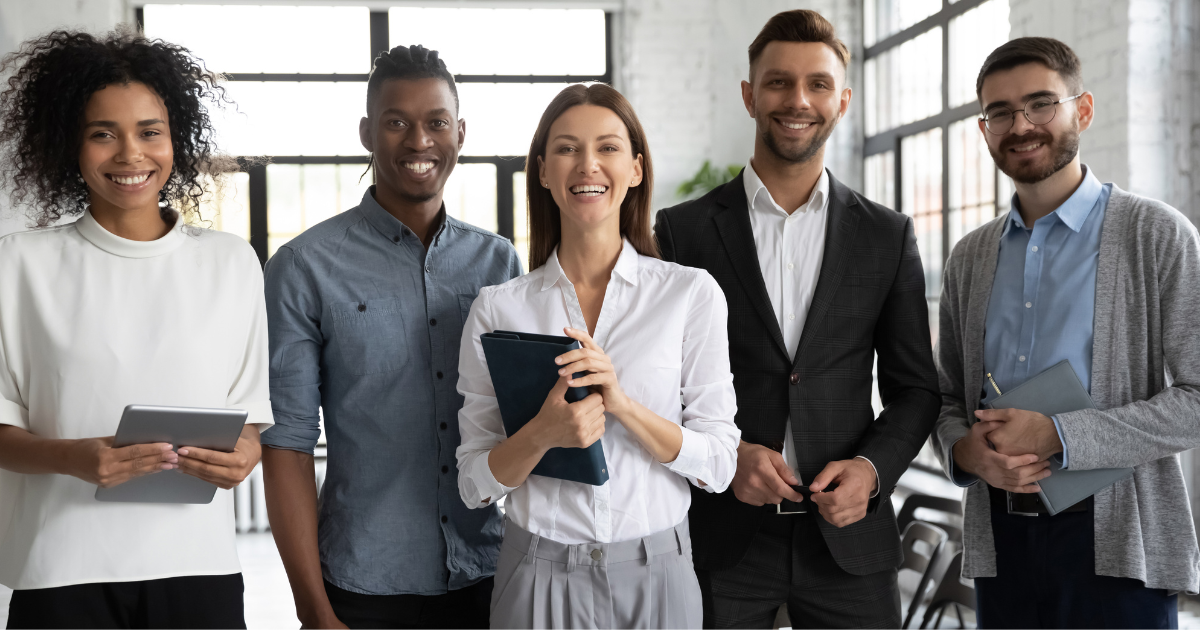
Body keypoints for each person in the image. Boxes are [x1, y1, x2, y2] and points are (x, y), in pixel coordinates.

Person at [654, 10, 941, 628]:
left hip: (849, 542)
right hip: (722, 539)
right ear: (749, 95)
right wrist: (725, 460)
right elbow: (654, 385)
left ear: (842, 101)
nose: (797, 100)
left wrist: (872, 470)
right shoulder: (681, 231)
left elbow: (916, 389)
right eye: (779, 82)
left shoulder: (887, 235)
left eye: (817, 84)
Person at [0, 30, 269, 629]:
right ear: (69, 144)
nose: (130, 154)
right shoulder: (18, 264)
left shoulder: (230, 262)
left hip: (199, 568)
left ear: (176, 140)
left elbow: (249, 413)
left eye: (150, 131)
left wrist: (247, 452)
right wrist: (73, 458)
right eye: (103, 134)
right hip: (62, 571)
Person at [931, 36, 1200, 629]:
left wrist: (1062, 435)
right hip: (1002, 539)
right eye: (999, 112)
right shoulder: (969, 258)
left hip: (1118, 541)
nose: (1020, 125)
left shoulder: (1157, 235)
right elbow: (945, 398)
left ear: (1082, 110)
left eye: (1040, 104)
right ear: (983, 129)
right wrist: (964, 449)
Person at [455, 82, 740, 629]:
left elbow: (720, 465)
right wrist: (542, 432)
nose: (587, 164)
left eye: (608, 147)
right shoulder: (498, 309)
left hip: (659, 574)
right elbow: (474, 482)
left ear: (635, 168)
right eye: (566, 148)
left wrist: (624, 405)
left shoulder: (689, 294)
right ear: (542, 171)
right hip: (535, 575)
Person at [260, 44, 522, 630]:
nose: (419, 141)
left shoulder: (498, 261)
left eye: (436, 122)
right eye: (396, 122)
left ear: (461, 132)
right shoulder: (304, 266)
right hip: (363, 585)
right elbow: (287, 446)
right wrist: (312, 609)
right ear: (366, 133)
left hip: (489, 573)